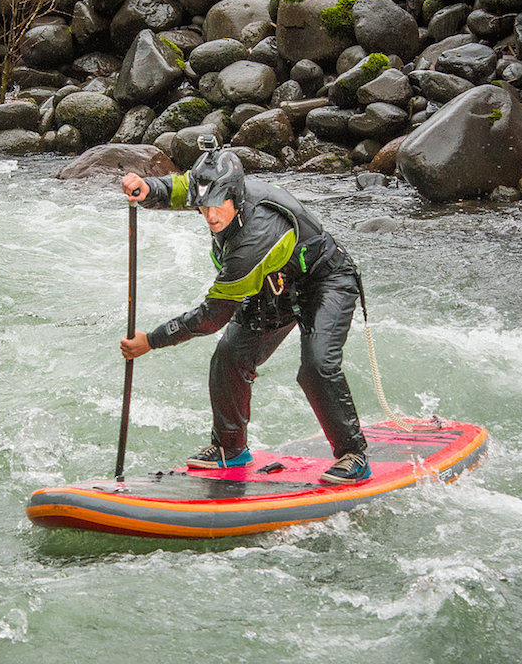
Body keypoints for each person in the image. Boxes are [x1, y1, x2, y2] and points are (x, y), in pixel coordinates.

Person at [119, 136, 371, 484]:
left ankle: (353, 454)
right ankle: (230, 449)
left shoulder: (254, 239)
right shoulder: (214, 191)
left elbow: (213, 316)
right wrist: (147, 187)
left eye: (218, 206)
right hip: (273, 288)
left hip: (324, 280)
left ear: (236, 196)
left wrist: (152, 340)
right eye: (203, 206)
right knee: (230, 356)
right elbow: (181, 188)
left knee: (316, 366)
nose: (210, 215)